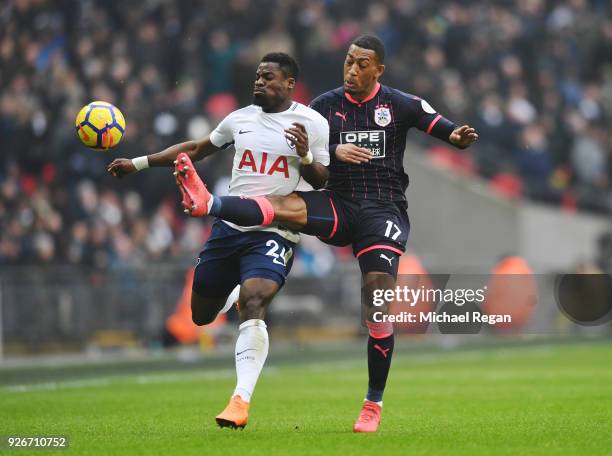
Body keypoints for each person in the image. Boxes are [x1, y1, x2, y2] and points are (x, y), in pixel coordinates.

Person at [176, 35, 479, 432]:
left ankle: (373, 403)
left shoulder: (399, 103)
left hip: (382, 211)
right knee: (279, 205)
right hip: (338, 201)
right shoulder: (323, 107)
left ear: (378, 70)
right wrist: (330, 152)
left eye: (361, 64)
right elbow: (309, 152)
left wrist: (456, 136)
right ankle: (209, 204)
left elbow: (435, 123)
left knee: (376, 299)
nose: (352, 70)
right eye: (348, 62)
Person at [106, 52, 330, 429]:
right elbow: (195, 149)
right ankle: (228, 296)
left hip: (276, 230)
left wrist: (305, 153)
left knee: (255, 300)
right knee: (201, 315)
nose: (259, 82)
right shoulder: (239, 119)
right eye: (257, 76)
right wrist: (140, 162)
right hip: (229, 229)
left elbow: (322, 180)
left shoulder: (313, 123)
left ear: (290, 83)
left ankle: (240, 401)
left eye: (268, 77)